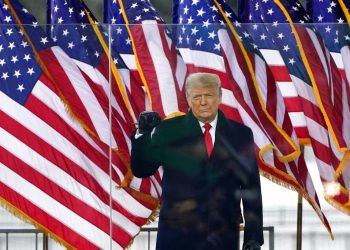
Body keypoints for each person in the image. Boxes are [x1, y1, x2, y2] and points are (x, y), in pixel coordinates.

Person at [131, 72, 263, 250]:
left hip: (223, 237)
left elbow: (250, 188)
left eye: (208, 95)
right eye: (197, 96)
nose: (203, 102)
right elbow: (142, 169)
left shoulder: (240, 134)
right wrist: (143, 135)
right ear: (188, 97)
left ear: (220, 96)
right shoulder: (169, 130)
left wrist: (253, 237)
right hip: (176, 236)